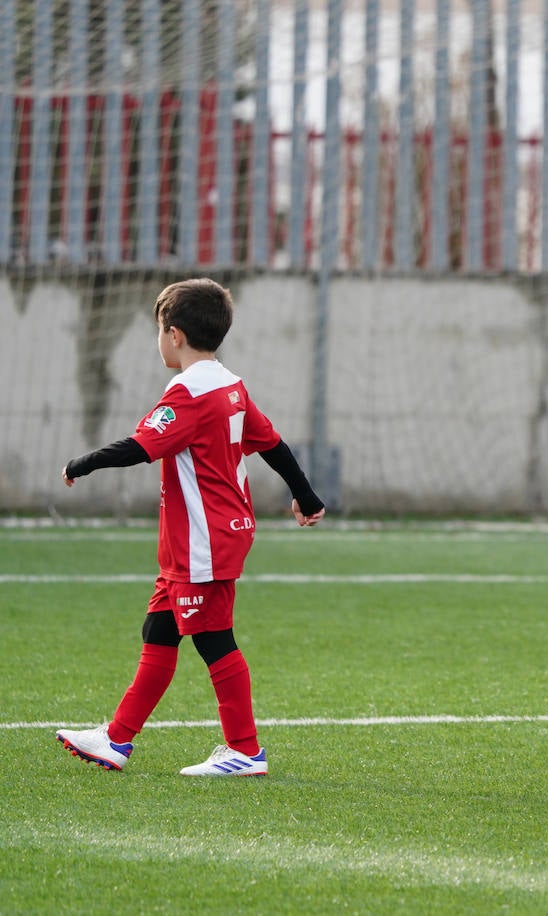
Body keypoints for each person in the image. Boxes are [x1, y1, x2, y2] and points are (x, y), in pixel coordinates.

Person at [55, 278, 326, 777]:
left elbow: (141, 446)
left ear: (174, 335)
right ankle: (116, 740)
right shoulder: (230, 385)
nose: (158, 340)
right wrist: (304, 494)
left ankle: (245, 750)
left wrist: (82, 463)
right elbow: (272, 442)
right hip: (198, 539)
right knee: (159, 630)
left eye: (159, 331)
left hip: (206, 540)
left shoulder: (189, 393)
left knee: (213, 639)